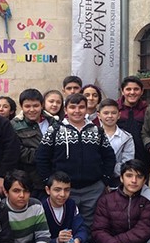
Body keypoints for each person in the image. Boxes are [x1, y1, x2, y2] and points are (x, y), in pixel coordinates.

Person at [35, 93, 116, 228]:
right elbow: (41, 157)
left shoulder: (97, 131)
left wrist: (104, 180)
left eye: (81, 107)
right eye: (72, 107)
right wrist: (48, 181)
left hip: (92, 189)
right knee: (65, 223)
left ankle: (86, 242)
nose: (77, 111)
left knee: (90, 225)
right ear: (66, 110)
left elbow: (109, 157)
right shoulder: (54, 130)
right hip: (65, 190)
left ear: (86, 109)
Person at [11, 89, 50, 199]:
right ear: (21, 106)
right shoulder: (14, 125)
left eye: (36, 106)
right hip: (29, 181)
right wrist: (42, 155)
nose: (32, 110)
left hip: (51, 179)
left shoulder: (53, 122)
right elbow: (17, 150)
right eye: (27, 106)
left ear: (42, 105)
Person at [117, 76, 149, 165]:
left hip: (142, 160)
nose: (132, 92)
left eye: (136, 89)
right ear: (122, 91)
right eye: (128, 89)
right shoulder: (115, 109)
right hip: (119, 160)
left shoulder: (148, 110)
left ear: (142, 91)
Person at [99, 98, 135, 178]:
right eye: (106, 113)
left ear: (119, 115)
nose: (110, 116)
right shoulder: (92, 135)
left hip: (118, 178)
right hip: (96, 178)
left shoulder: (126, 137)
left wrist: (109, 169)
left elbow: (127, 162)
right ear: (99, 115)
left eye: (113, 113)